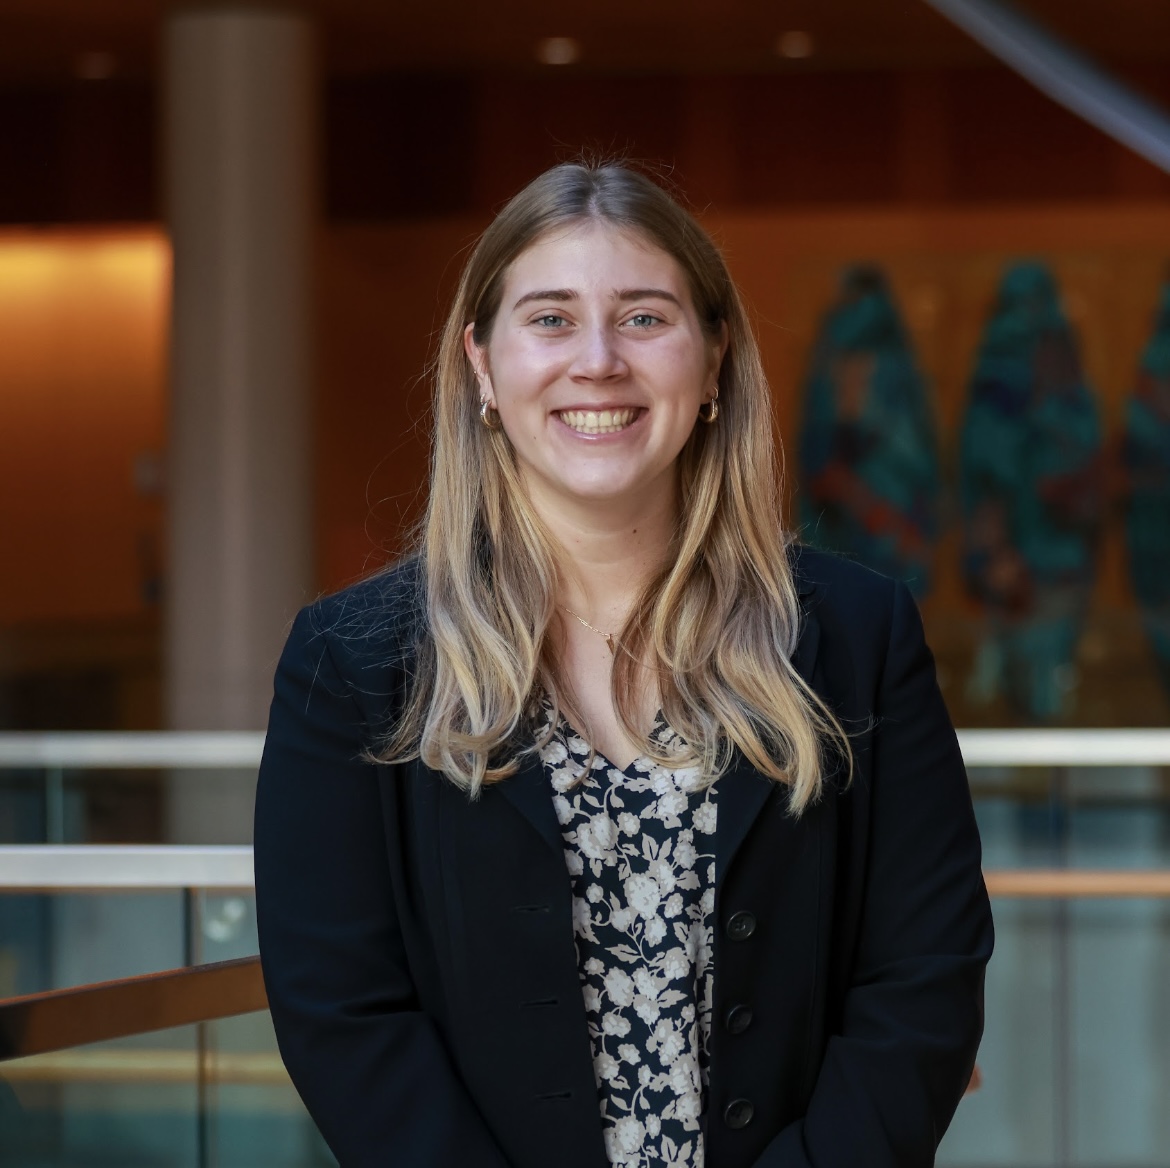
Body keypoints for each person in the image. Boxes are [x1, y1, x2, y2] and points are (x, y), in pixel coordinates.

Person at [253, 161, 993, 1168]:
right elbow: (342, 1013)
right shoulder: (352, 663)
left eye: (644, 317)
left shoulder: (858, 637)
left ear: (716, 356)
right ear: (482, 364)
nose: (596, 360)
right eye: (550, 319)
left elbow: (924, 979)